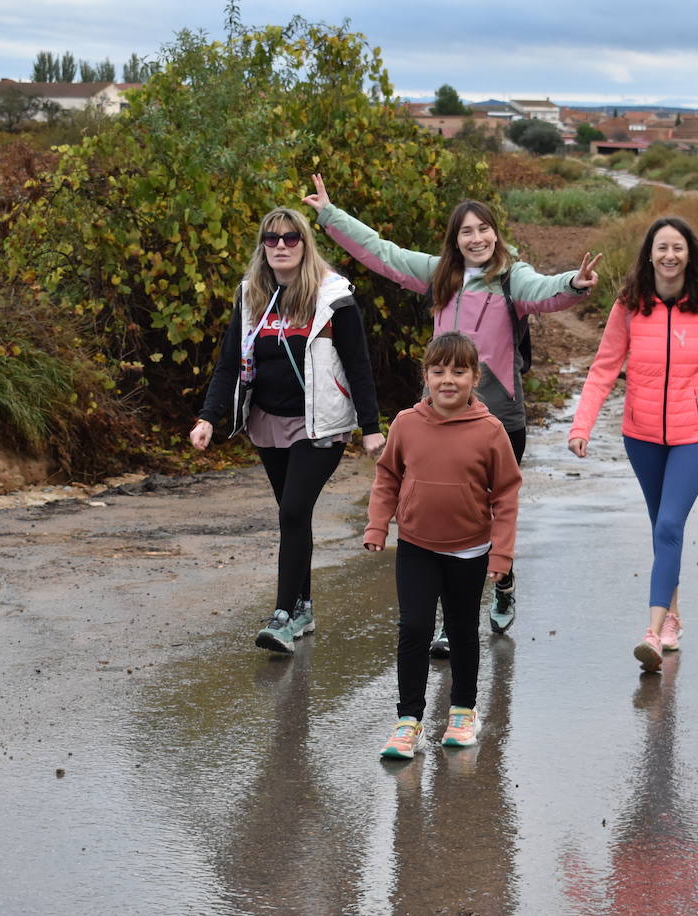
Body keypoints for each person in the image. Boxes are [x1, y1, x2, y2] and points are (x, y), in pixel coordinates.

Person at [304, 174, 599, 648]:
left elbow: (547, 291)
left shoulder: (512, 279)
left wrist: (575, 283)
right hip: (439, 419)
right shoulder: (440, 274)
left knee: (483, 514)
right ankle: (447, 619)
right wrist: (330, 214)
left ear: (495, 235)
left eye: (484, 229)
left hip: (499, 419)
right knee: (445, 516)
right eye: (466, 231)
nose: (476, 238)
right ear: (454, 239)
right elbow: (382, 253)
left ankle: (500, 583)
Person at [191, 207, 386, 655]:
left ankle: (282, 618)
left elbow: (358, 365)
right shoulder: (251, 296)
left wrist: (371, 427)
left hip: (320, 425)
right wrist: (208, 417)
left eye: (291, 238)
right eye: (272, 238)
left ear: (304, 244)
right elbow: (228, 365)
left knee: (293, 511)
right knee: (293, 516)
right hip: (267, 422)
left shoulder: (333, 298)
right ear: (263, 245)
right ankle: (304, 605)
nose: (281, 245)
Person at [568, 215, 698, 672]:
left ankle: (652, 632)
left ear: (690, 255)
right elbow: (604, 368)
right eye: (661, 247)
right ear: (649, 254)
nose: (670, 255)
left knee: (668, 525)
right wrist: (581, 426)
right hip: (642, 435)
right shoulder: (630, 305)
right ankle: (674, 618)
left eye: (678, 248)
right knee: (661, 529)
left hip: (697, 433)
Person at [364, 332, 521, 759]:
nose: (447, 379)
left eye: (458, 371)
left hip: (469, 549)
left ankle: (463, 712)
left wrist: (501, 553)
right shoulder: (406, 423)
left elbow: (506, 494)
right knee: (414, 628)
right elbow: (387, 477)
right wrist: (378, 525)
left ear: (475, 377)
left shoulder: (490, 432)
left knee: (461, 630)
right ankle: (407, 722)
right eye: (438, 371)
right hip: (416, 544)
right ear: (426, 376)